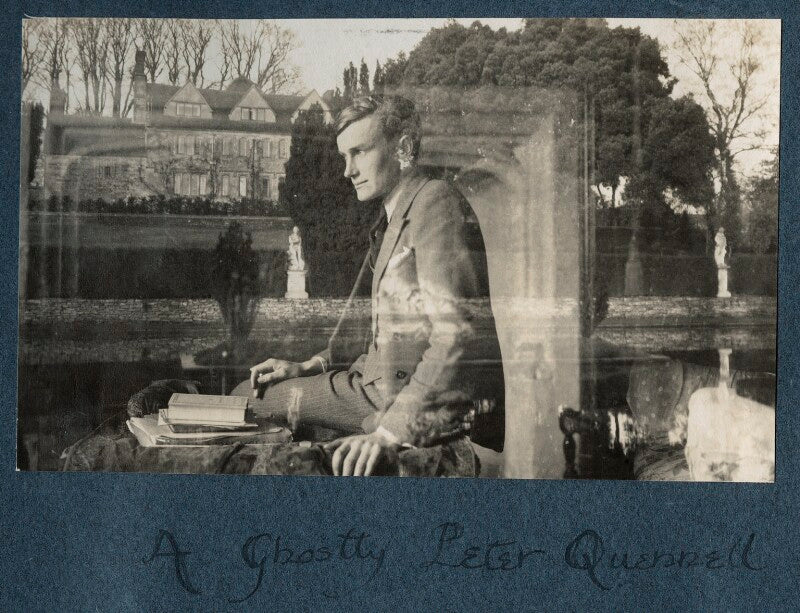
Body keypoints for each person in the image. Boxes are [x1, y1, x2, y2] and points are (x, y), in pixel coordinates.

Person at [236, 95, 503, 476]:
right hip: (369, 384)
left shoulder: (434, 201)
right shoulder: (393, 217)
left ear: (403, 148)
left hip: (393, 398)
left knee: (246, 398)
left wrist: (390, 433)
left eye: (359, 152)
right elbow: (368, 331)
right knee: (247, 396)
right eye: (344, 156)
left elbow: (457, 334)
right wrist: (309, 365)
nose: (348, 171)